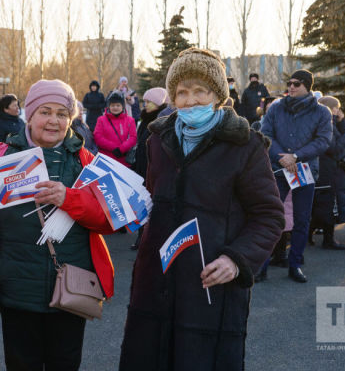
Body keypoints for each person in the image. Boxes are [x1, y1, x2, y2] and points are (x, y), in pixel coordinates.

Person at [118, 48, 284, 370]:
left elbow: (269, 216)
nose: (190, 101)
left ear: (217, 95)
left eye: (199, 91)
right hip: (156, 282)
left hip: (210, 285)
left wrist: (236, 260)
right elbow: (153, 198)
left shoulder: (245, 145)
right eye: (181, 92)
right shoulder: (158, 140)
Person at [0, 79, 115, 371]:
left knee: (65, 364)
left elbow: (109, 220)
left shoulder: (86, 161)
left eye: (61, 113)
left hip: (74, 288)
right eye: (45, 111)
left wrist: (69, 199)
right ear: (29, 115)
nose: (53, 121)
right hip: (17, 291)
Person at [261, 70, 332, 282]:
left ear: (307, 86)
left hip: (303, 169)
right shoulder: (276, 109)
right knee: (271, 218)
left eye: (297, 84)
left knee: (302, 219)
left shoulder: (322, 112)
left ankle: (295, 265)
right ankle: (261, 266)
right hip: (279, 168)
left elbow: (323, 141)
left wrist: (296, 156)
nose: (291, 87)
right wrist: (281, 157)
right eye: (290, 83)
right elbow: (265, 134)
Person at [309, 96, 345, 250]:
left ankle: (312, 234)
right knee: (326, 204)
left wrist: (341, 122)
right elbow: (333, 148)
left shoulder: (326, 121)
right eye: (336, 108)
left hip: (325, 168)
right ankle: (328, 239)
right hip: (326, 169)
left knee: (320, 203)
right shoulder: (325, 123)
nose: (338, 111)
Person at [130, 87, 170, 250]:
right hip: (141, 167)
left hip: (153, 169)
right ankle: (141, 238)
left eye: (149, 102)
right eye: (144, 102)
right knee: (142, 204)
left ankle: (150, 239)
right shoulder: (145, 119)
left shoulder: (162, 120)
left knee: (153, 206)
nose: (145, 105)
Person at [93, 92, 138, 167]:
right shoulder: (101, 119)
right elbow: (98, 137)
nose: (115, 107)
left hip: (123, 160)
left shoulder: (130, 120)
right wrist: (114, 148)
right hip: (105, 159)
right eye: (112, 105)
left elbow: (133, 138)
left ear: (122, 106)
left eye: (118, 105)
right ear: (109, 106)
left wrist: (121, 149)